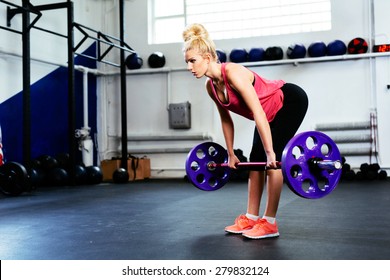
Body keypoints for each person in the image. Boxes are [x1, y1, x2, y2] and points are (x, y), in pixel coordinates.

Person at [182, 23, 309, 240]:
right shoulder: (210, 86)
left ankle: (269, 223)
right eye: (187, 62)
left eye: (192, 61)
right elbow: (226, 119)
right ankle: (251, 217)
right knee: (254, 159)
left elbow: (258, 112)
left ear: (208, 57)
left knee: (272, 160)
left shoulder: (233, 73)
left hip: (289, 101)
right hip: (267, 114)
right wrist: (230, 152)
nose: (189, 67)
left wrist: (271, 153)